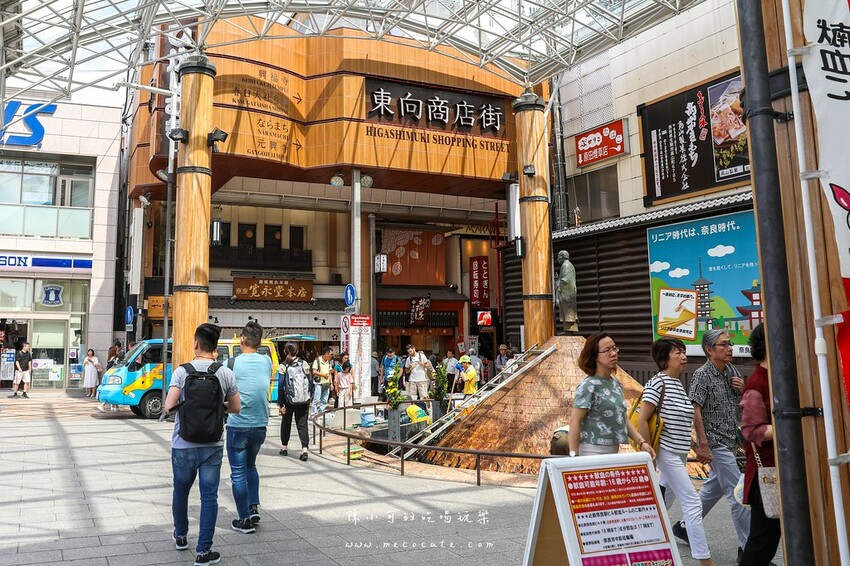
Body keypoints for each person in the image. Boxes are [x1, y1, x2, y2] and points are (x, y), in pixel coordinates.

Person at [165, 323, 241, 565]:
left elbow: (168, 406)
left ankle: (180, 536)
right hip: (213, 444)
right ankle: (203, 551)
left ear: (196, 344)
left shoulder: (181, 372)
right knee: (209, 497)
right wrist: (219, 408)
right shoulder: (225, 373)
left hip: (182, 444)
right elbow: (237, 407)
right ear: (215, 347)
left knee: (181, 491)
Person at [674, 329, 750, 558]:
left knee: (712, 488)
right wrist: (703, 443)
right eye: (724, 345)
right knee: (738, 495)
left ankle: (685, 527)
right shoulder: (702, 375)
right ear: (709, 350)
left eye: (730, 344)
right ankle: (748, 551)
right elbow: (695, 408)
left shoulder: (732, 371)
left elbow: (740, 403)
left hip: (730, 439)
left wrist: (743, 390)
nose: (730, 348)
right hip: (715, 441)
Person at [638, 338, 714, 566]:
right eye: (677, 353)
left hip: (679, 453)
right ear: (664, 359)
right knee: (692, 502)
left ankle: (641, 539)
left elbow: (679, 423)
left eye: (683, 352)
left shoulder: (678, 384)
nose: (683, 356)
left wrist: (696, 447)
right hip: (665, 453)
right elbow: (643, 418)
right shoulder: (657, 383)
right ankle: (704, 559)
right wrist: (648, 452)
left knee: (663, 503)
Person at [568, 333, 654, 458]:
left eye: (614, 349)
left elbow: (622, 417)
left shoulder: (615, 383)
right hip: (591, 450)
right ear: (594, 356)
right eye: (607, 350)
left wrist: (641, 442)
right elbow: (575, 420)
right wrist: (574, 455)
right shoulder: (589, 385)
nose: (613, 354)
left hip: (613, 450)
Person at [739, 324, 781, 565]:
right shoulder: (757, 382)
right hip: (768, 473)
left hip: (782, 468)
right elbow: (751, 429)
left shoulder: (779, 375)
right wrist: (790, 426)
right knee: (763, 543)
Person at [226, 321, 271, 534]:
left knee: (237, 473)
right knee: (251, 466)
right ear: (260, 342)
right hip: (260, 425)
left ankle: (244, 519)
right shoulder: (267, 361)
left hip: (238, 425)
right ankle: (253, 507)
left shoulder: (232, 363)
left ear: (241, 340)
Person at [278, 341, 311, 461]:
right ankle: (304, 450)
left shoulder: (283, 366)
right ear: (297, 352)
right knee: (302, 424)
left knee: (286, 423)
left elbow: (281, 386)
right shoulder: (304, 364)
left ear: (285, 351)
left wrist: (280, 404)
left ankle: (285, 448)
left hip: (288, 400)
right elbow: (309, 382)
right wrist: (309, 398)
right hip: (303, 400)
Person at [311, 346, 334, 416]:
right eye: (331, 354)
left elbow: (330, 373)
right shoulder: (317, 360)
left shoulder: (329, 362)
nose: (331, 356)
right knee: (317, 399)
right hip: (319, 383)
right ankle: (313, 413)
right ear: (326, 354)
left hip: (326, 383)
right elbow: (314, 371)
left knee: (324, 400)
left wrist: (331, 383)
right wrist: (323, 375)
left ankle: (321, 412)